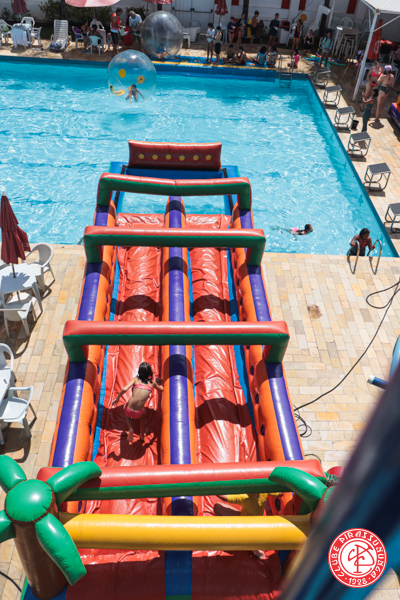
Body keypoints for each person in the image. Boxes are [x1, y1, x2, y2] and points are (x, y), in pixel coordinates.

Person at [112, 362, 163, 441]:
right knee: (144, 417)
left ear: (139, 372)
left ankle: (130, 428)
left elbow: (124, 389)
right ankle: (142, 435)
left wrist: (117, 398)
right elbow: (161, 389)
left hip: (128, 410)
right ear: (149, 372)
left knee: (124, 407)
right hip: (139, 413)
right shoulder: (152, 383)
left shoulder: (135, 380)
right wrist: (158, 382)